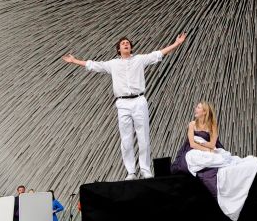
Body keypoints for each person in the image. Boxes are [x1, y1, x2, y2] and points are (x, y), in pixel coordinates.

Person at [62, 32, 186, 179]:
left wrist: (177, 43)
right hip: (122, 103)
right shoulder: (113, 64)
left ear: (131, 47)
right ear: (118, 49)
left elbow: (158, 54)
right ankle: (131, 171)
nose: (126, 44)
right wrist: (75, 61)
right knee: (126, 139)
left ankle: (145, 169)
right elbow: (94, 65)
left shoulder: (139, 59)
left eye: (128, 43)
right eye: (123, 43)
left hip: (139, 100)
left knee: (143, 136)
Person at [169, 100, 257, 221]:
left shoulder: (212, 125)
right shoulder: (192, 124)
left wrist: (207, 147)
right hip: (194, 149)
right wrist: (205, 148)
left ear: (204, 112)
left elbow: (213, 144)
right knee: (195, 157)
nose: (195, 109)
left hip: (209, 149)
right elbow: (192, 143)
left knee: (220, 156)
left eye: (198, 108)